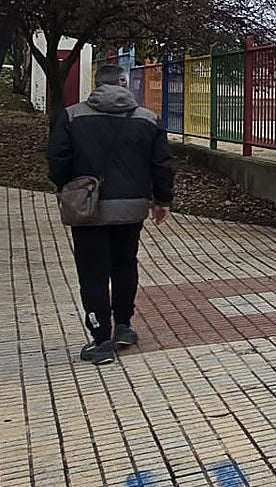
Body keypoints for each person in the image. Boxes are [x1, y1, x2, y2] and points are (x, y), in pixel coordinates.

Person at [46, 64, 174, 365]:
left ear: (96, 85)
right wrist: (162, 200)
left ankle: (101, 340)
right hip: (131, 209)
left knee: (93, 273)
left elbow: (57, 160)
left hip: (88, 210)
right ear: (125, 84)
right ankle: (124, 326)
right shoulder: (147, 119)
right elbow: (162, 164)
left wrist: (70, 189)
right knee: (125, 265)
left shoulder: (72, 116)